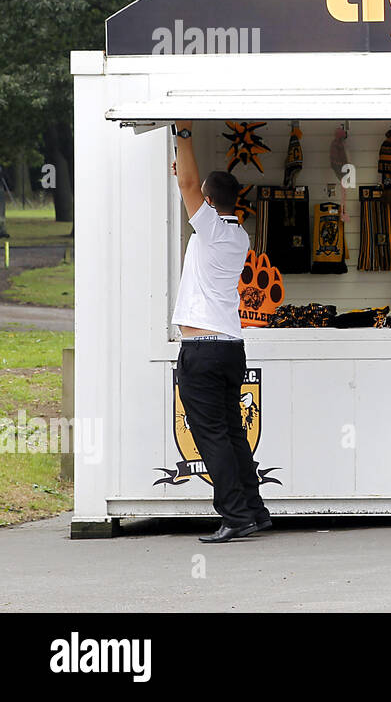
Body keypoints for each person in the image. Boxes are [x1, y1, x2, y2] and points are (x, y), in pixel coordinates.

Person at [171, 120, 272, 543]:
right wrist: (183, 168)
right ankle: (254, 509)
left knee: (210, 435)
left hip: (204, 349)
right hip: (231, 347)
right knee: (232, 432)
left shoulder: (210, 228)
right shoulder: (238, 234)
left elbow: (190, 182)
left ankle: (235, 516)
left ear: (210, 202)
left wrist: (183, 134)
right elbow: (193, 182)